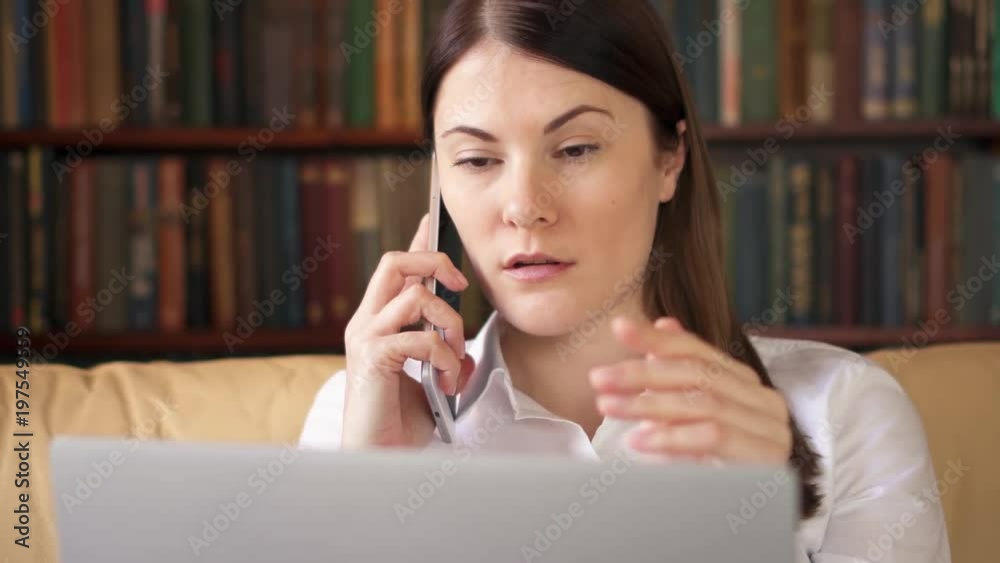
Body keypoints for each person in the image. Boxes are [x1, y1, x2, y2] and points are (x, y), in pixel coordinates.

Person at [299, 1, 951, 561]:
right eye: (476, 159)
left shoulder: (845, 412)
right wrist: (374, 496)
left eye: (576, 149)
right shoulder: (356, 415)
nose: (526, 205)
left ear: (670, 159)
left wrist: (749, 530)